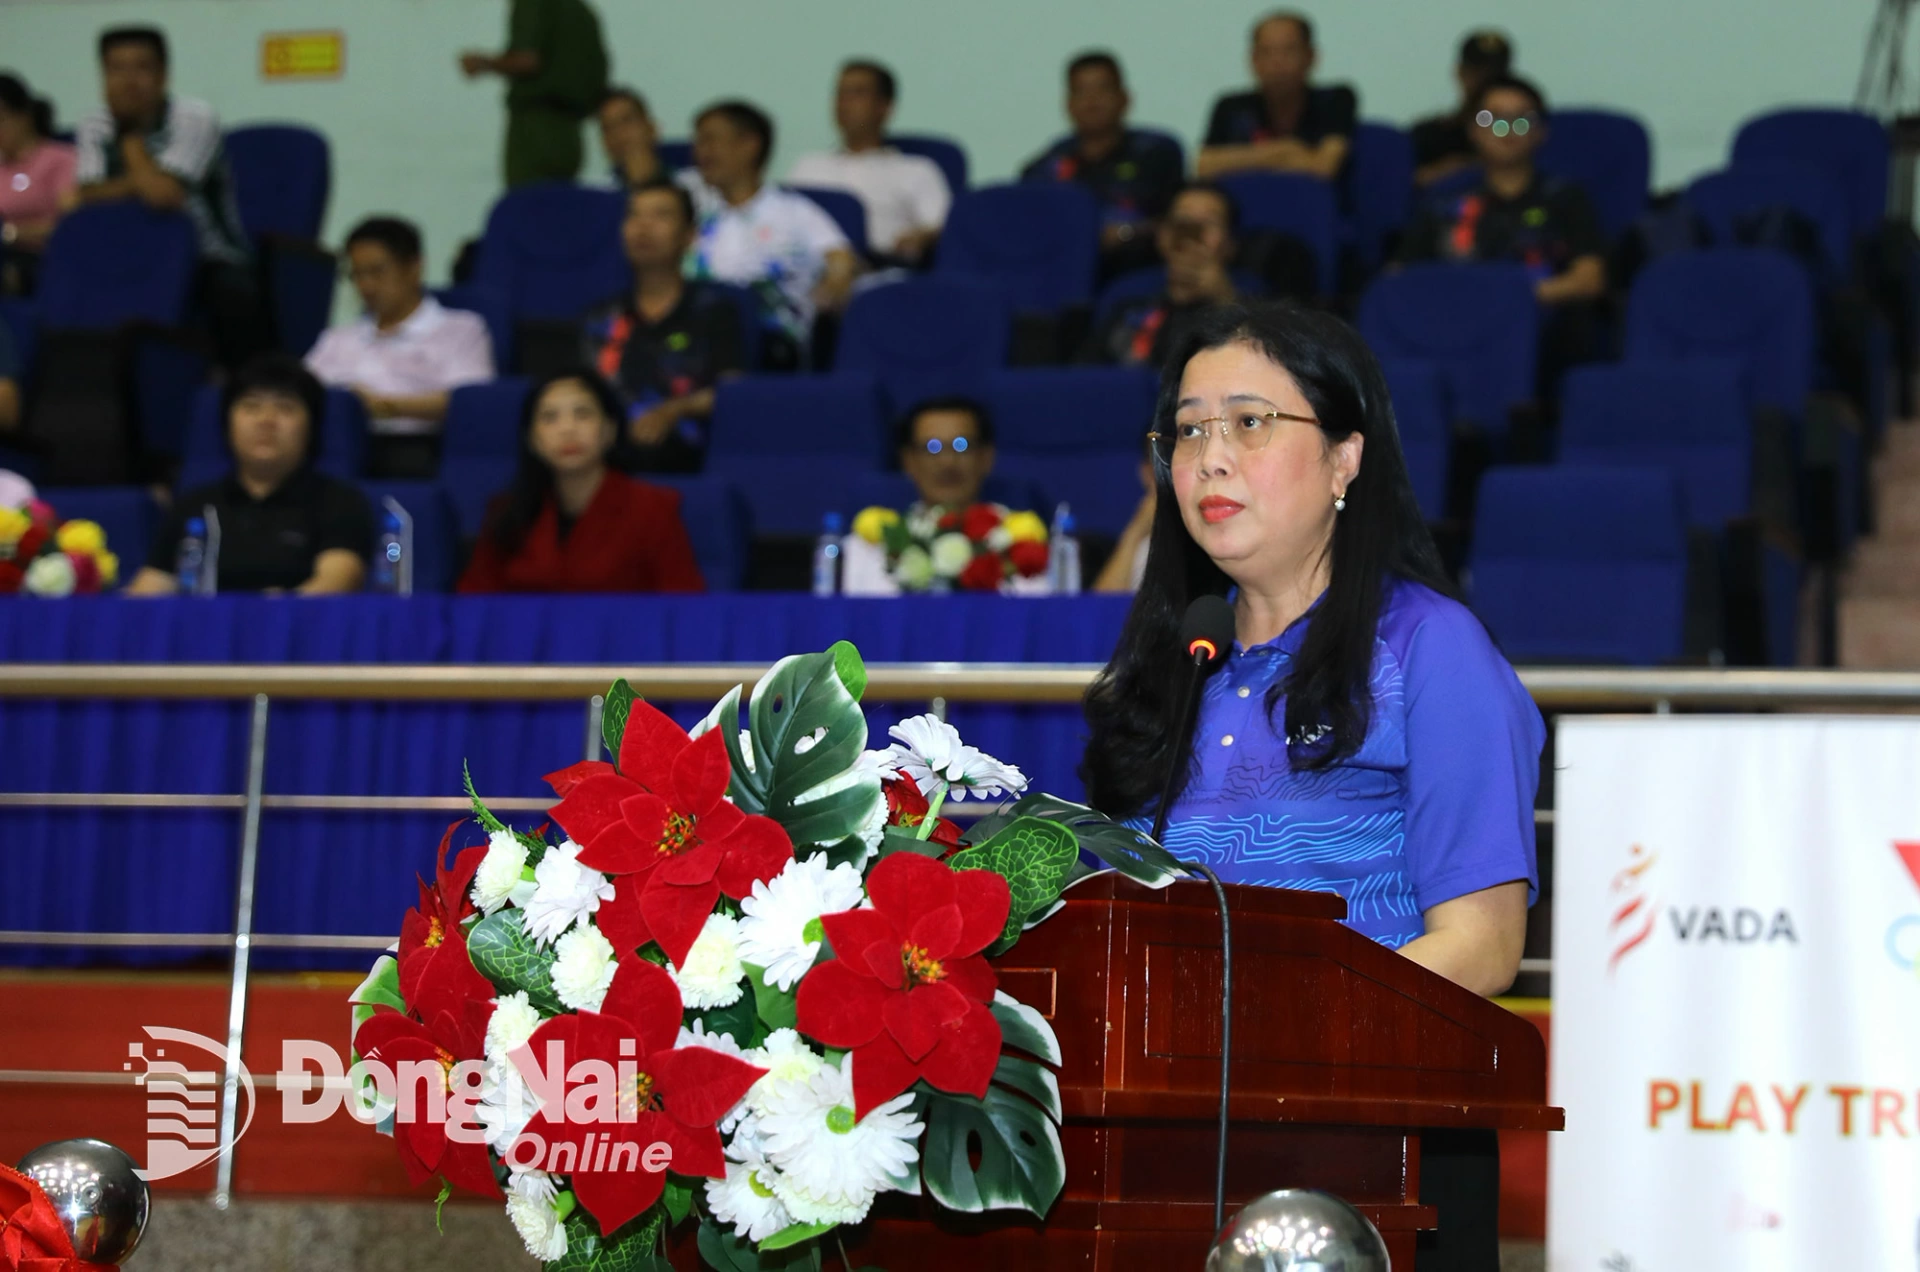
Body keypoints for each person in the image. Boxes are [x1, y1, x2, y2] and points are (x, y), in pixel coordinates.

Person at [1080, 300, 1541, 1268]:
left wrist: (1263, 1039)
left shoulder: (1429, 648)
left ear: (1345, 459)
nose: (1209, 456)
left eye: (1249, 422)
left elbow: (1484, 946)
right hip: (1166, 1143)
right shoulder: (1169, 663)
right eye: (1189, 429)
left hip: (1377, 1145)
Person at [1399, 74, 1607, 394]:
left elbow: (1589, 278)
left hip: (1537, 326)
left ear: (1541, 131)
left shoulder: (1567, 198)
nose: (1507, 130)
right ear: (1472, 129)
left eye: (1521, 120)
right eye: (1492, 119)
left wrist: (1509, 300)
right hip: (1451, 323)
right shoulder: (1441, 201)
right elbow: (1402, 278)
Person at [72, 26, 262, 368]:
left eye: (141, 68)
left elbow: (164, 196)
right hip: (127, 255)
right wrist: (140, 182)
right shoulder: (92, 123)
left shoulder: (194, 117)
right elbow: (86, 196)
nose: (128, 81)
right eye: (116, 69)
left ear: (163, 76)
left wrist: (128, 137)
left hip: (208, 257)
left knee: (233, 294)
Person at [128, 356, 373, 595]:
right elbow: (147, 592)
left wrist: (267, 615)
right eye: (251, 406)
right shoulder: (193, 506)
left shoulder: (339, 502)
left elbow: (336, 582)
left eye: (285, 408)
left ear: (312, 427)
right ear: (227, 424)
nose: (266, 420)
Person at [457, 368, 704, 593]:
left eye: (582, 414)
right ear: (532, 439)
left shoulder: (653, 509)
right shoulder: (505, 512)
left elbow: (685, 611)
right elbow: (474, 607)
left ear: (610, 430)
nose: (567, 429)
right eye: (550, 417)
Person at [305, 217, 495, 480]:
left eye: (377, 271)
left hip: (418, 451)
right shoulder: (338, 338)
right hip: (334, 451)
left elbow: (471, 402)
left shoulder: (460, 329)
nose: (366, 286)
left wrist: (381, 407)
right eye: (357, 274)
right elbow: (300, 392)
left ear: (414, 267)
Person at [579, 179, 746, 472]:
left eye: (661, 216)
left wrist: (673, 410)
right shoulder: (599, 316)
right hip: (608, 460)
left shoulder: (715, 311)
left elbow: (731, 393)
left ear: (689, 236)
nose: (644, 227)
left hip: (691, 457)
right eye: (635, 215)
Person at [683, 100, 858, 363]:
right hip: (691, 341)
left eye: (710, 140)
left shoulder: (794, 212)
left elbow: (841, 259)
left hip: (772, 349)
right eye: (698, 142)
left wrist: (834, 282)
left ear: (749, 145)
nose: (700, 152)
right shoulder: (693, 213)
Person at [1020, 52, 1185, 279]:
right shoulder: (1046, 166)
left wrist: (1125, 233)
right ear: (1068, 104)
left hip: (1140, 272)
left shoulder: (1157, 153)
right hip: (1060, 275)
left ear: (1125, 98)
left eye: (1102, 89)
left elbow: (1176, 219)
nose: (1092, 101)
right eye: (1081, 92)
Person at [788, 61, 950, 266]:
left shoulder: (916, 170)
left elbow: (944, 226)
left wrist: (922, 237)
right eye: (840, 93)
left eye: (857, 93)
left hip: (880, 269)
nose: (844, 102)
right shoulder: (807, 165)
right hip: (808, 269)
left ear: (884, 107)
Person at [1080, 182, 1239, 369]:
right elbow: (1085, 372)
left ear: (1231, 243)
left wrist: (1225, 300)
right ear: (1162, 234)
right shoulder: (1126, 292)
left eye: (1209, 222)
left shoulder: (1249, 296)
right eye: (1182, 220)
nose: (1191, 232)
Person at [460, 0, 608, 188]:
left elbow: (527, 60)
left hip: (534, 129)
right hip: (571, 135)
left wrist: (483, 63)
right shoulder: (583, 12)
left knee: (524, 207)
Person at [1196, 12, 1356, 181]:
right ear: (1253, 60)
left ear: (1311, 57)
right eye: (1267, 52)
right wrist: (1283, 151)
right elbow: (1203, 166)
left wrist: (1239, 159)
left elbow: (1324, 166)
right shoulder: (1230, 107)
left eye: (1289, 51)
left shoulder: (1335, 100)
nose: (1277, 62)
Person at [1409, 30, 1513, 187]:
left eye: (1494, 74)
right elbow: (1399, 185)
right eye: (1477, 72)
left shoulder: (1522, 130)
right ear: (1460, 72)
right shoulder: (1429, 135)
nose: (1485, 81)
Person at [0, 73, 77, 276]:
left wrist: (11, 234)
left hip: (44, 261)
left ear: (24, 115)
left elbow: (70, 224)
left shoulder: (61, 160)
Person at [596, 86, 669, 190]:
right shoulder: (599, 193)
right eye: (607, 128)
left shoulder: (691, 186)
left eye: (626, 121)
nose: (618, 134)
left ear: (651, 129)